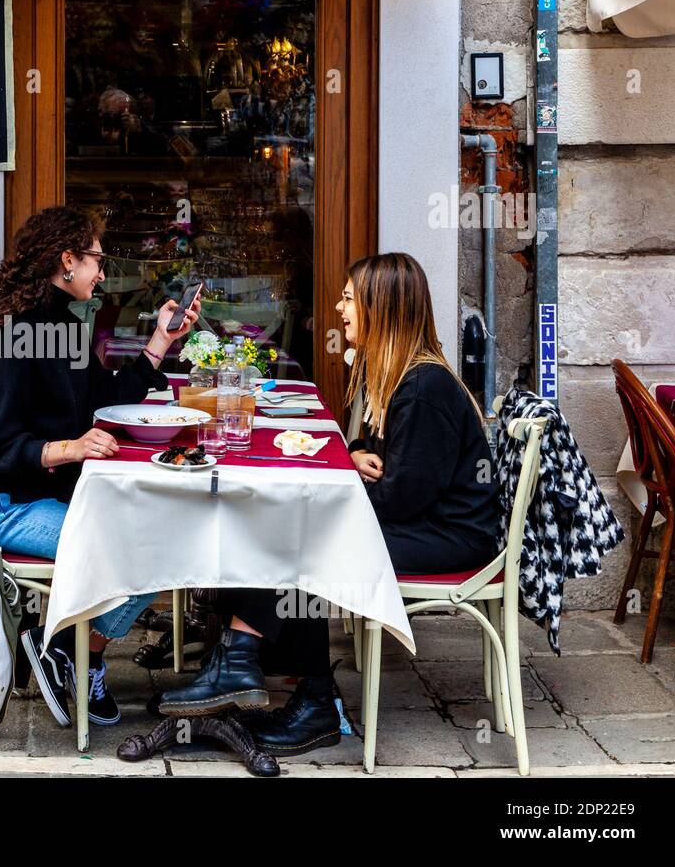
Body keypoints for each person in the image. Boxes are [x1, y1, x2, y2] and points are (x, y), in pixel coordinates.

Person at [159, 252, 498, 757]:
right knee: (294, 527)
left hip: (451, 537)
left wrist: (342, 479)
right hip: (429, 519)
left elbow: (403, 498)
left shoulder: (423, 387)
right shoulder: (399, 375)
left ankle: (287, 686)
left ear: (380, 307)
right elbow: (392, 467)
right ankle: (247, 664)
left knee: (307, 539)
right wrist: (357, 458)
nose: (340, 309)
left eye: (348, 298)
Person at [0, 206, 199, 728]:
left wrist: (162, 340)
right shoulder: (17, 335)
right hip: (8, 506)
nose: (102, 271)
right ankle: (68, 649)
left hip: (48, 496)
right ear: (67, 260)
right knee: (138, 550)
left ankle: (76, 654)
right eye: (97, 258)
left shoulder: (64, 327)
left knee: (156, 542)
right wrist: (69, 448)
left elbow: (108, 398)